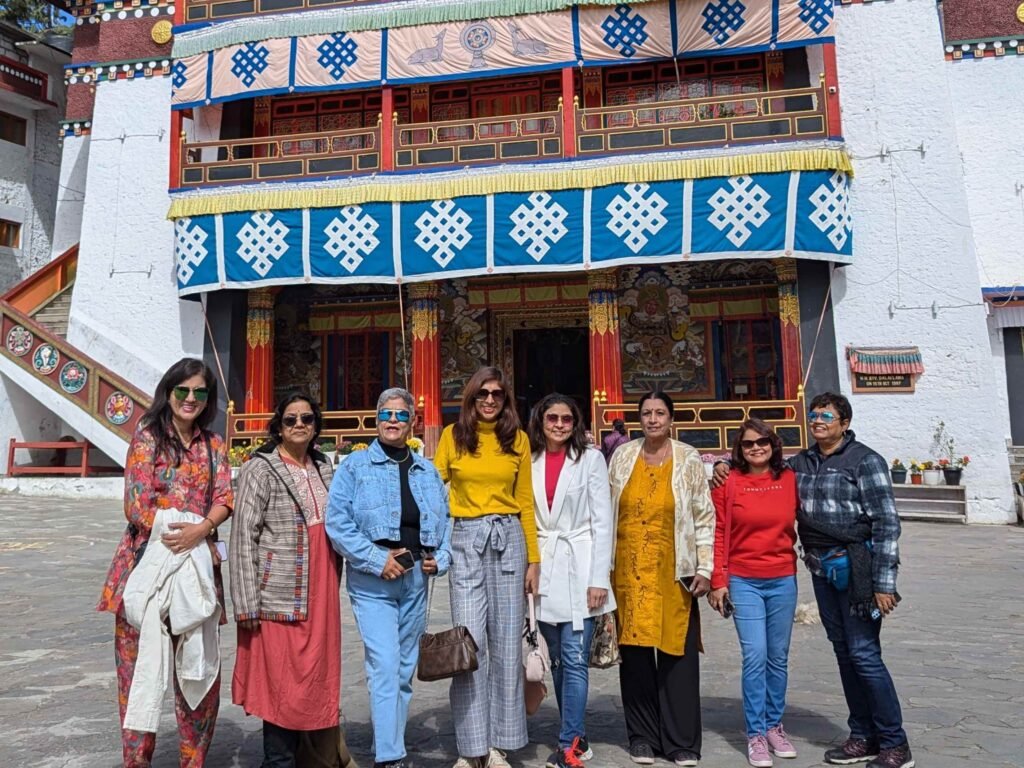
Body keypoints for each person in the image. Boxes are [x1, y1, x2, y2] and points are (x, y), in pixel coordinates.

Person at [97, 357, 232, 767]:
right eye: (183, 391)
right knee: (138, 676)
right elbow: (136, 505)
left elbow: (225, 497)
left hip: (197, 575)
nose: (190, 399)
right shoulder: (147, 438)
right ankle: (137, 762)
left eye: (199, 392)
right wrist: (184, 530)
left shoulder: (214, 445)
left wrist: (200, 529)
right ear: (168, 392)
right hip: (145, 571)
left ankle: (194, 761)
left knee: (199, 674)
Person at [326, 388, 452, 768]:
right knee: (384, 663)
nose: (393, 421)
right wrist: (377, 558)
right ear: (376, 419)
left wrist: (440, 559)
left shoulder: (427, 471)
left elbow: (447, 524)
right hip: (373, 583)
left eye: (400, 415)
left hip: (415, 581)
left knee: (402, 669)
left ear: (412, 420)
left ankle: (392, 744)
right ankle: (390, 756)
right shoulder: (355, 467)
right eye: (386, 414)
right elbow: (338, 523)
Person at [793, 393, 912, 768]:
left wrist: (883, 583)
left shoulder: (865, 460)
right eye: (813, 414)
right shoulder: (803, 462)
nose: (817, 420)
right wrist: (723, 468)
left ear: (844, 422)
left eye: (826, 415)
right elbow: (759, 465)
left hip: (857, 569)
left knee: (864, 654)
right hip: (821, 569)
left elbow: (887, 522)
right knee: (844, 652)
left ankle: (895, 742)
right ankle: (863, 735)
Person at [230, 391, 349, 768]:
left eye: (307, 419)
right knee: (281, 681)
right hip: (279, 589)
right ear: (278, 427)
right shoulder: (260, 468)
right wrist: (246, 601)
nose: (299, 425)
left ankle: (312, 757)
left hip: (322, 587)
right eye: (290, 419)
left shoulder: (324, 465)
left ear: (316, 425)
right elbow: (243, 536)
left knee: (317, 674)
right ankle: (278, 761)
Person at [434, 366, 541, 768]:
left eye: (497, 394)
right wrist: (431, 543)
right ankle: (470, 746)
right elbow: (433, 487)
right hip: (466, 541)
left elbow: (526, 502)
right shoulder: (452, 437)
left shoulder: (518, 440)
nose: (490, 400)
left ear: (506, 399)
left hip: (509, 539)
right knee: (469, 643)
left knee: (507, 646)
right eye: (483, 394)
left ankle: (498, 743)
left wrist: (535, 560)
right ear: (471, 398)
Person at [607, 390, 715, 767]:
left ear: (671, 419)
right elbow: (606, 509)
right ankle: (641, 736)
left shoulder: (687, 458)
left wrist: (705, 568)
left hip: (674, 569)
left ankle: (681, 739)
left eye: (660, 413)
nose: (653, 419)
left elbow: (704, 515)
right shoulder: (622, 456)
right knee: (634, 655)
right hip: (628, 571)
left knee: (677, 654)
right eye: (646, 413)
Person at [527, 394, 616, 768]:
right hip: (544, 568)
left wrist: (599, 578)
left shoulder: (590, 460)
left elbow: (602, 520)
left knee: (576, 660)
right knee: (559, 662)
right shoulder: (527, 459)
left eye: (567, 418)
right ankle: (575, 732)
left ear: (576, 422)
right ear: (540, 420)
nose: (560, 424)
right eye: (553, 417)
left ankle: (570, 742)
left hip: (581, 568)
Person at [707, 419, 799, 768]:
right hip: (744, 580)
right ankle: (756, 733)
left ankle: (775, 724)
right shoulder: (728, 481)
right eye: (748, 444)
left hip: (782, 578)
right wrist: (719, 579)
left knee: (778, 656)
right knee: (755, 655)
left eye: (763, 442)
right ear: (739, 449)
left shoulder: (790, 478)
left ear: (774, 445)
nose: (756, 448)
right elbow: (719, 531)